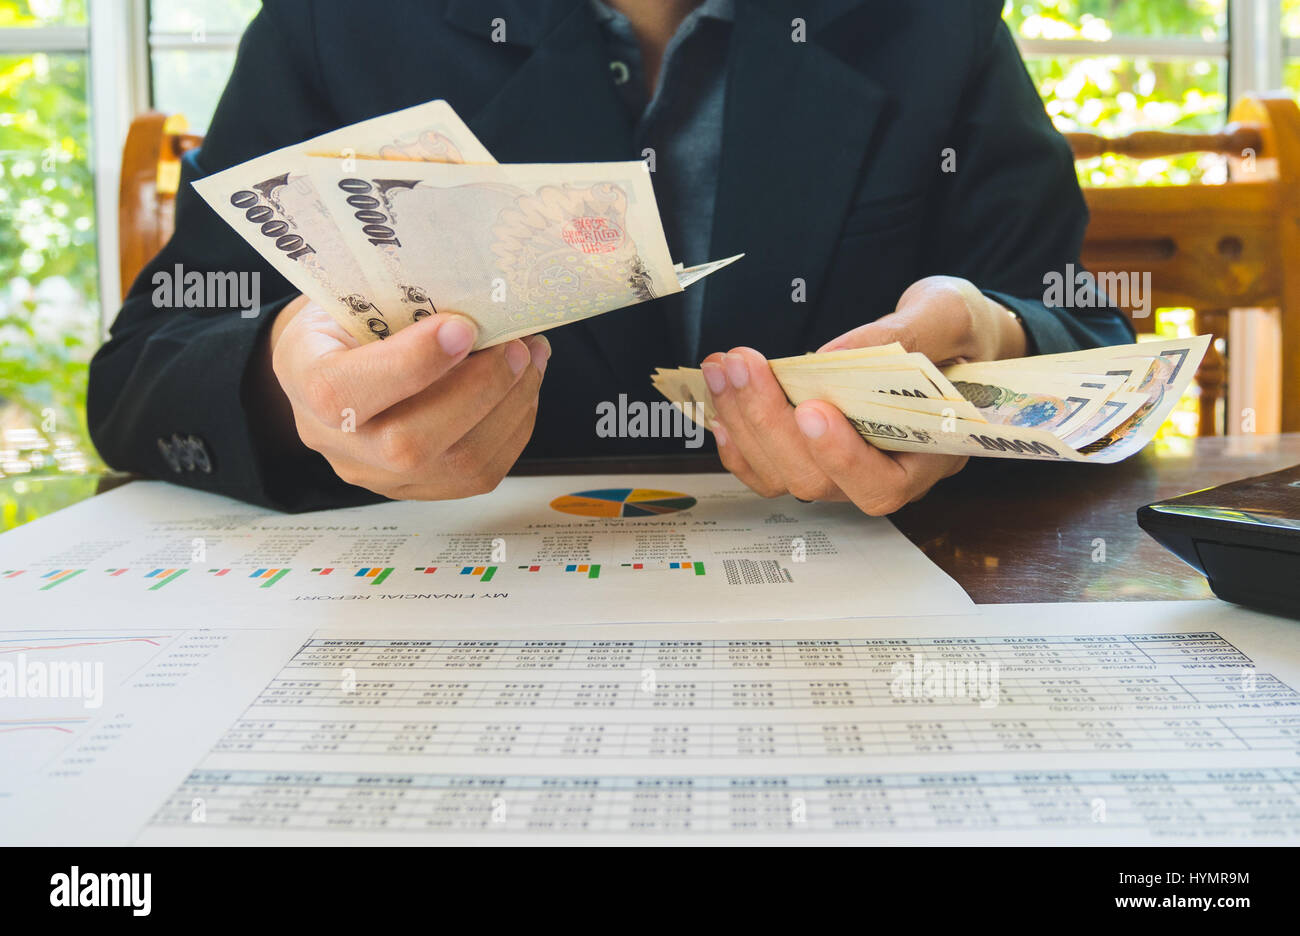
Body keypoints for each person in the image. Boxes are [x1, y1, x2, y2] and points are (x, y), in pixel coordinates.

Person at [89, 0, 1133, 515]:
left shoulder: (928, 25)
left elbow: (1083, 342)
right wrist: (292, 387)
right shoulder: (340, 24)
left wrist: (989, 342)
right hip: (455, 624)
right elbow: (143, 376)